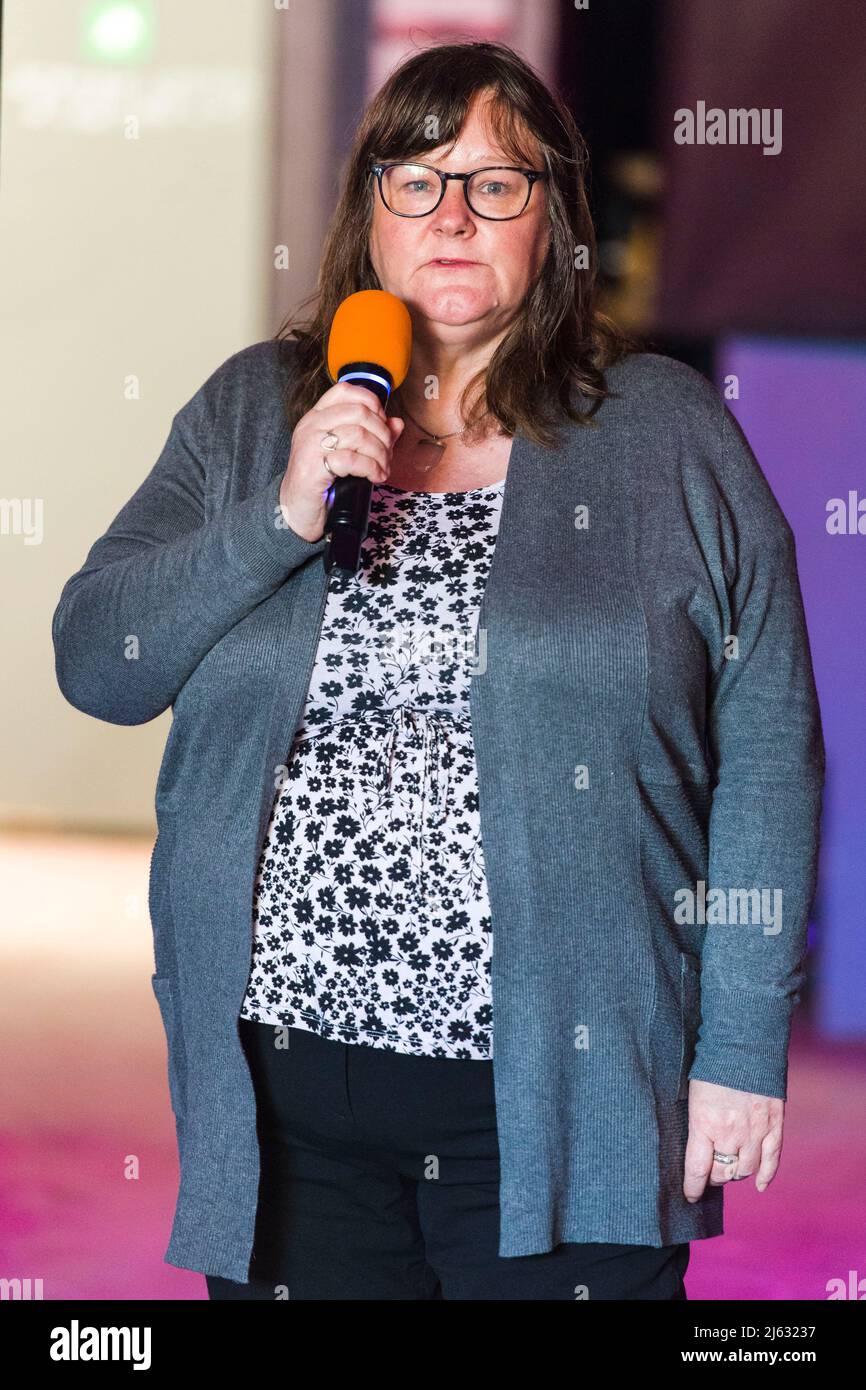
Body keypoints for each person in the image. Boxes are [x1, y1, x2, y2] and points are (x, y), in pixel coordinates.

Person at [52, 40, 825, 1301]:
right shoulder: (255, 412)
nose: (451, 214)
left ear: (554, 220)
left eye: (495, 184)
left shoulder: (660, 428)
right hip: (285, 1094)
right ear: (367, 215)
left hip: (566, 1092)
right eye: (413, 181)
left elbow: (766, 742)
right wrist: (278, 514)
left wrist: (739, 1041)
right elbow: (101, 661)